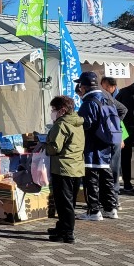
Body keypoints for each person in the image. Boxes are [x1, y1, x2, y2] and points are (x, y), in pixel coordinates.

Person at [75, 71, 122, 220]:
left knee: (91, 178)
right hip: (107, 143)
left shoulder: (89, 102)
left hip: (92, 145)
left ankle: (94, 211)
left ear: (84, 86)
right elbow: (121, 110)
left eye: (80, 85)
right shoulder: (106, 97)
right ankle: (110, 208)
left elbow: (85, 124)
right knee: (106, 176)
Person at [45, 95, 85, 244]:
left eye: (54, 109)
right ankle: (61, 226)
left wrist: (45, 145)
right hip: (77, 167)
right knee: (69, 202)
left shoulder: (61, 125)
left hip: (63, 168)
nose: (52, 112)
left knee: (63, 203)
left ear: (62, 110)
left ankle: (67, 233)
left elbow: (55, 148)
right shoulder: (77, 122)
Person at [100, 76, 128, 203]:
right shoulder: (108, 97)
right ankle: (113, 201)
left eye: (106, 86)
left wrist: (113, 126)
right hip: (115, 135)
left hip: (113, 137)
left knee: (111, 169)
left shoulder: (106, 98)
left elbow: (122, 110)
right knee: (113, 169)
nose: (104, 88)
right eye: (103, 86)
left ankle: (112, 201)